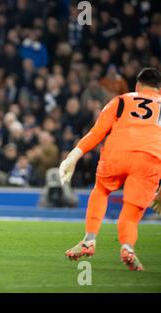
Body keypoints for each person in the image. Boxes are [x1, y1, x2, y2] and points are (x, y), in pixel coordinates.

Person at [59, 68, 161, 271]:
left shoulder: (122, 100)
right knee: (131, 213)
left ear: (137, 86)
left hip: (117, 153)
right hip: (149, 158)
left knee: (101, 190)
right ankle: (127, 248)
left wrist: (73, 156)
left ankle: (89, 240)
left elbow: (97, 131)